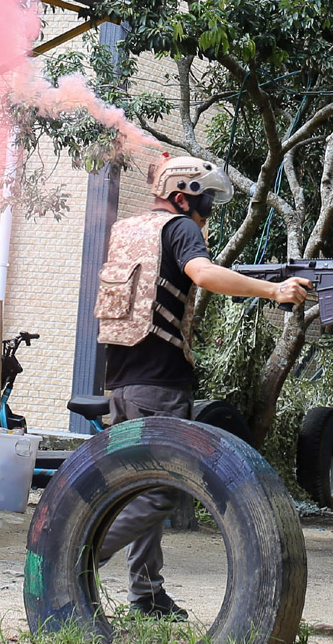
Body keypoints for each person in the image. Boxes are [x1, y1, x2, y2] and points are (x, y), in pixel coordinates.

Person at [95, 154, 310, 619]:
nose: (208, 209)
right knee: (164, 491)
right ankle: (76, 556)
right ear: (182, 195)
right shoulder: (180, 228)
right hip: (161, 386)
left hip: (123, 383)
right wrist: (274, 291)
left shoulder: (130, 231)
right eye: (206, 199)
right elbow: (204, 274)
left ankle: (146, 594)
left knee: (139, 487)